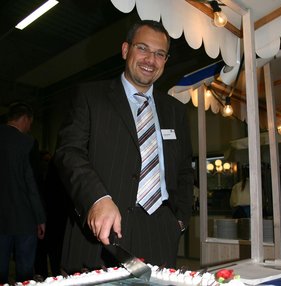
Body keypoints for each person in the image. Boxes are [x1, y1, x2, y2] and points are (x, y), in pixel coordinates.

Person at [54, 20, 194, 273]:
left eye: (159, 53)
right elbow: (69, 152)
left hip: (161, 229)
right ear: (125, 50)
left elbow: (185, 169)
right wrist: (96, 198)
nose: (150, 59)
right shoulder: (90, 96)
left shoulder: (176, 111)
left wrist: (179, 221)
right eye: (143, 48)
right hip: (102, 232)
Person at [0, 102, 46, 284]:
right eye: (30, 123)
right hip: (24, 218)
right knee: (25, 271)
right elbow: (31, 183)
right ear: (25, 119)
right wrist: (40, 218)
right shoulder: (27, 143)